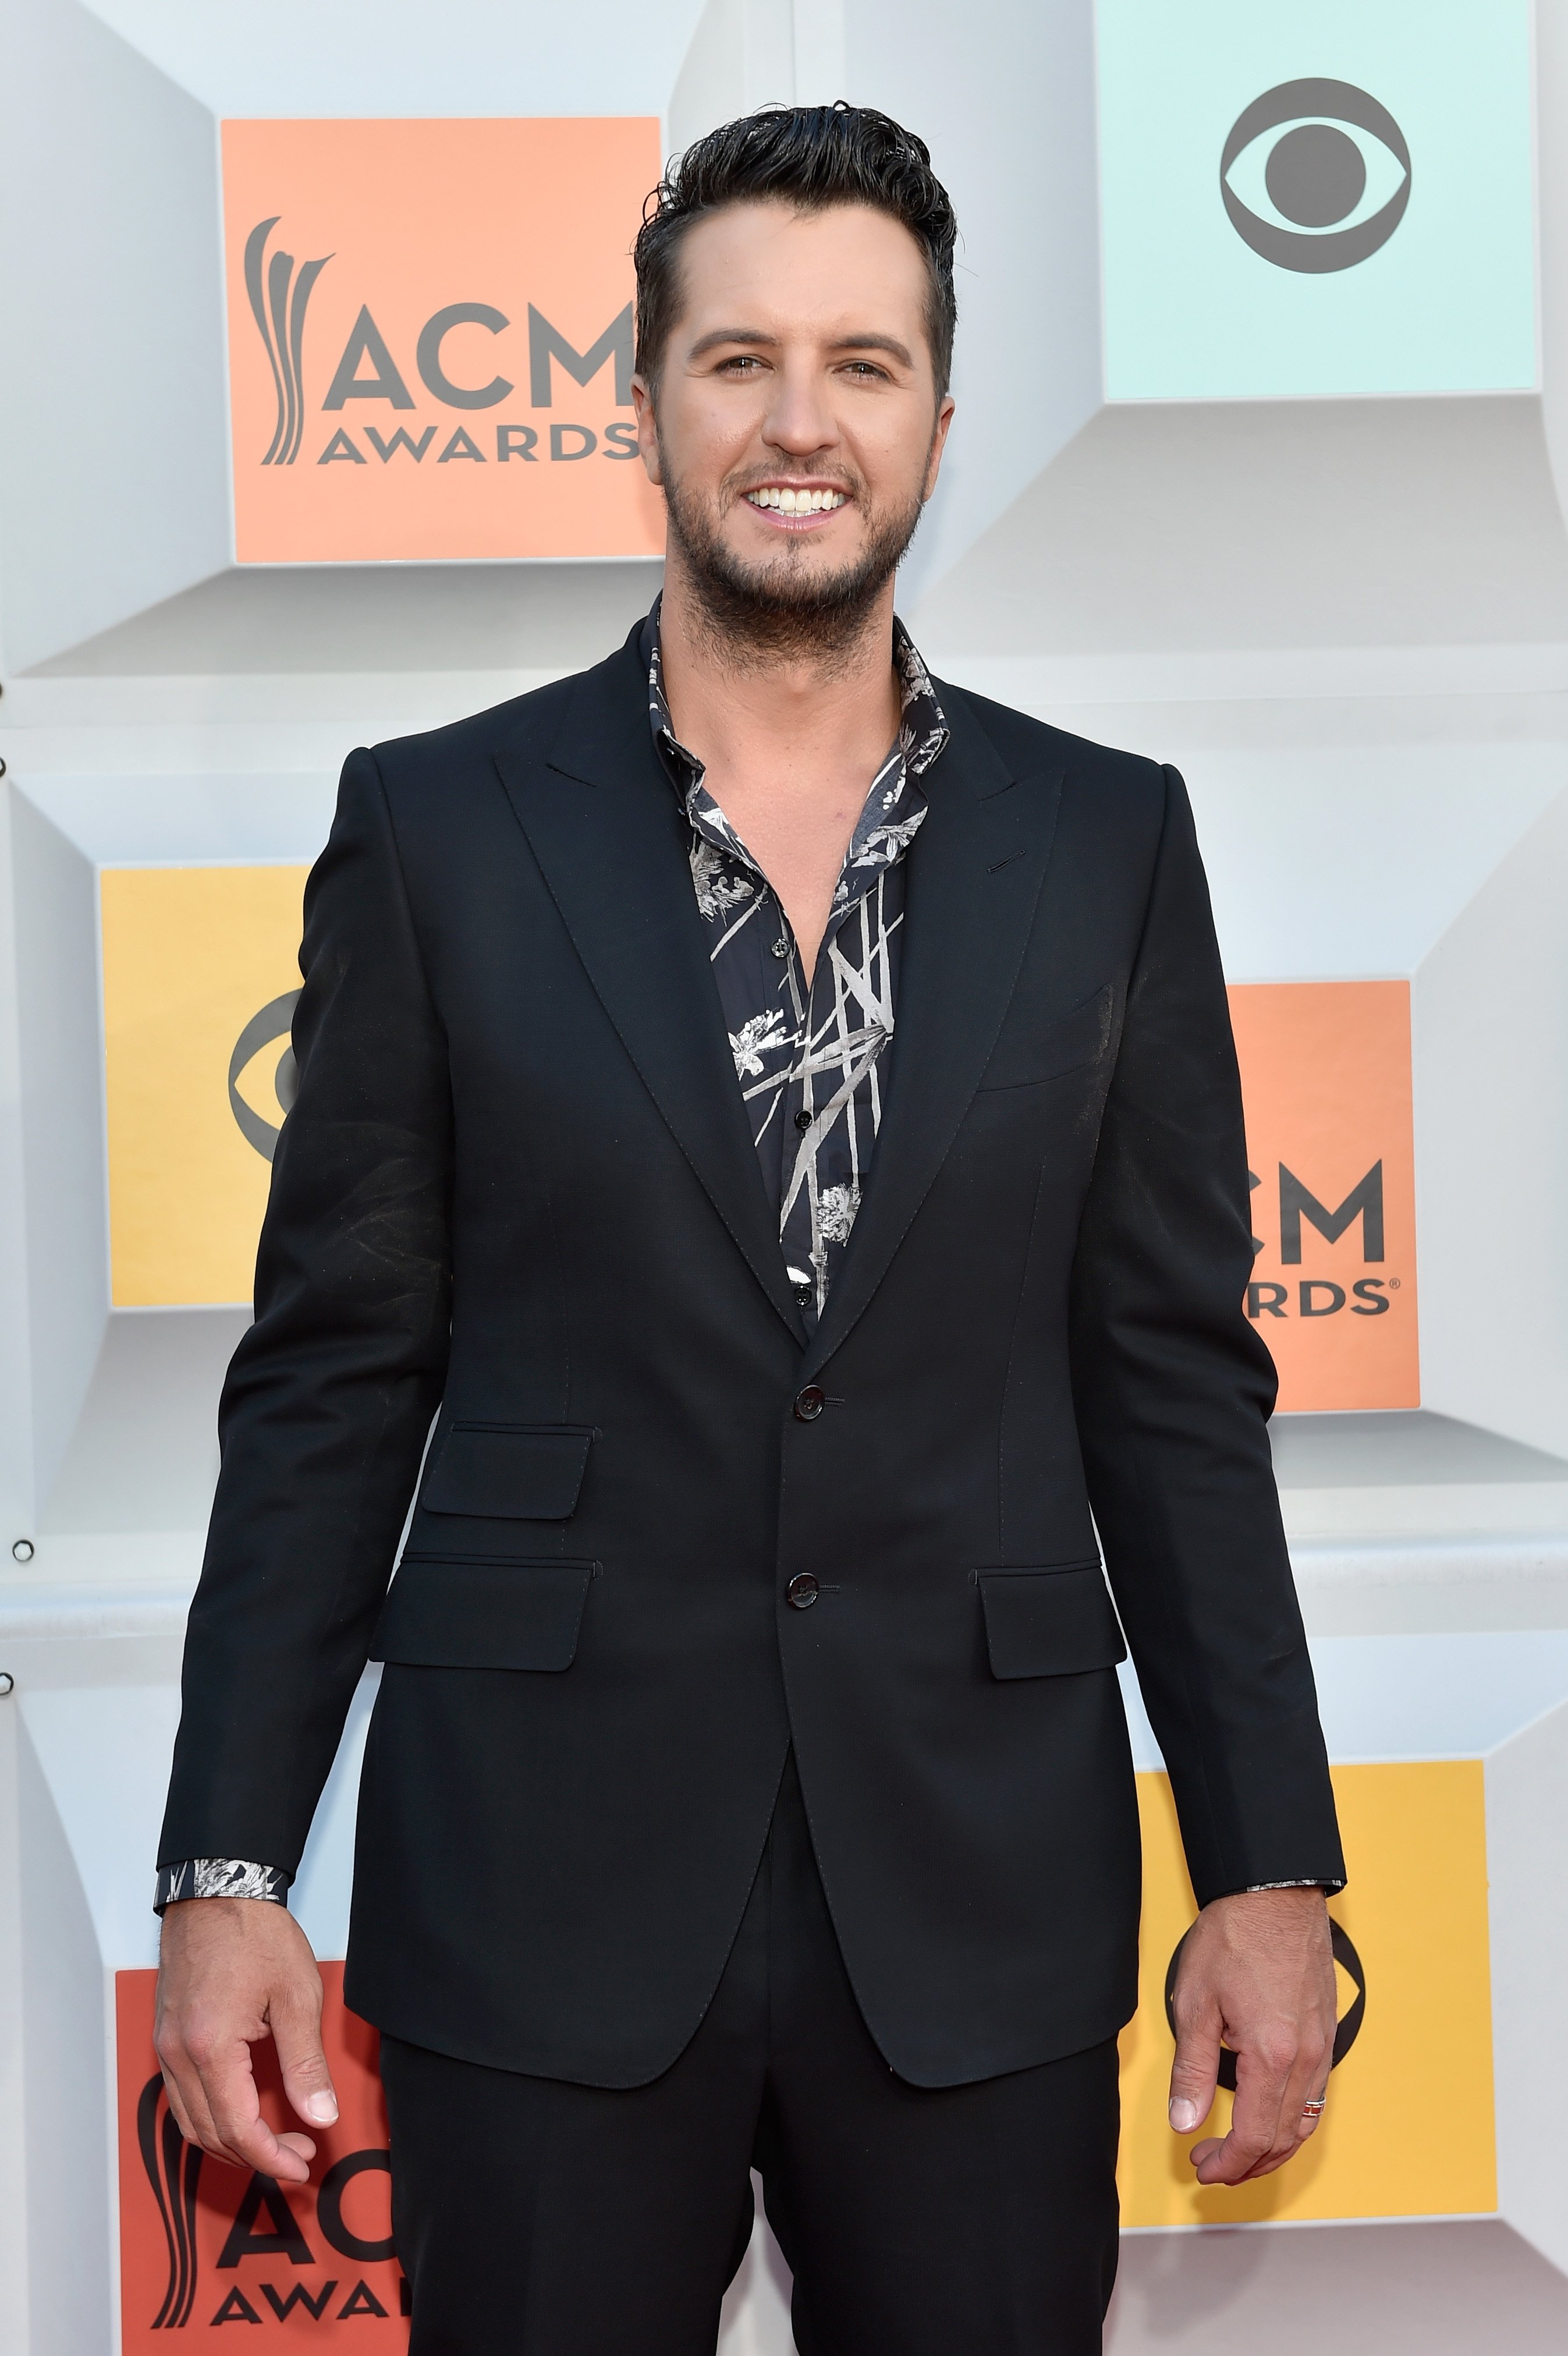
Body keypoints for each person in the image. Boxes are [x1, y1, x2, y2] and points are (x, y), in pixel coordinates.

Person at [153, 104, 1345, 2355]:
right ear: (642, 398)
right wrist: (227, 1871)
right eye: (738, 361)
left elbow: (1176, 1394)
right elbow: (328, 1383)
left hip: (979, 1899)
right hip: (539, 1889)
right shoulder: (435, 829)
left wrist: (1272, 1871)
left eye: (863, 366)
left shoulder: (1108, 844)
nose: (801, 424)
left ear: (939, 418)